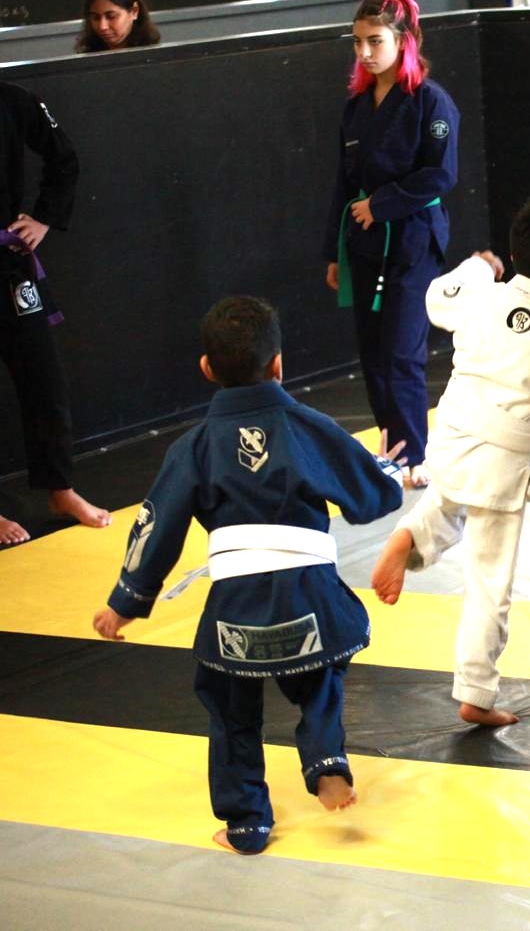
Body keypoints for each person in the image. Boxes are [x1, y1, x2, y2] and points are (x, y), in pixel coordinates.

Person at [90, 296, 403, 854]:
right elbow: (371, 496)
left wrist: (125, 601)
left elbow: (154, 527)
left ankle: (247, 823)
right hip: (311, 597)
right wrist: (386, 470)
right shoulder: (310, 426)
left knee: (230, 705)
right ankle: (326, 761)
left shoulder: (195, 446)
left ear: (206, 370)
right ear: (279, 363)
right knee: (321, 679)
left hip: (237, 605)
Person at [370, 200, 530, 728]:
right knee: (489, 581)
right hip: (501, 463)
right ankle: (475, 691)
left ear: (515, 253)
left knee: (448, 499)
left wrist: (480, 265)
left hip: (449, 438)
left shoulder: (479, 297)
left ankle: (411, 532)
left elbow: (435, 297)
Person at [322, 0, 459, 490]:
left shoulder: (431, 101)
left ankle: (414, 453)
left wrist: (382, 205)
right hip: (360, 240)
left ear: (404, 40)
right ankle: (392, 441)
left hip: (412, 241)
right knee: (373, 349)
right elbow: (342, 182)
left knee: (402, 349)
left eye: (375, 41)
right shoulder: (356, 106)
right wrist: (332, 251)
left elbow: (440, 175)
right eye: (357, 42)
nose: (364, 52)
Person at [0, 81, 111, 545]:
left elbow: (63, 159)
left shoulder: (11, 100)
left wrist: (44, 216)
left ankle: (59, 488)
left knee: (44, 377)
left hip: (8, 263)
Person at [75, 0, 160, 52]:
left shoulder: (155, 56)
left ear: (134, 11)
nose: (102, 26)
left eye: (111, 17)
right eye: (96, 18)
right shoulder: (86, 60)